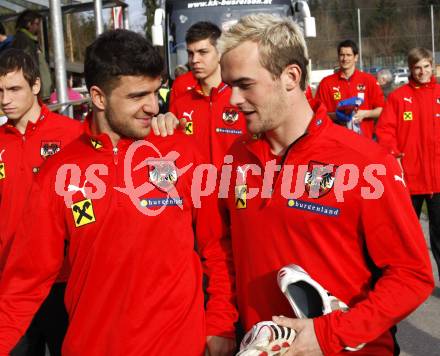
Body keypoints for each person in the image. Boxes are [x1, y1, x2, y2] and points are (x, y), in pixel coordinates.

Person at [0, 30, 237, 356]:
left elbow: (217, 247)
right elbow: (24, 284)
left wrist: (220, 322)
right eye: (137, 96)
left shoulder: (181, 153)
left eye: (156, 92)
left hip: (179, 344)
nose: (153, 107)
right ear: (98, 97)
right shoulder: (58, 174)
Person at [218, 14, 433, 355]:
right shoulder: (237, 155)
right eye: (229, 85)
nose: (232, 100)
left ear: (291, 76)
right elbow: (222, 246)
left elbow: (412, 276)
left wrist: (330, 333)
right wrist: (221, 323)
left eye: (244, 85)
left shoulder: (365, 163)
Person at [0, 48, 83, 355]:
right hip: (13, 284)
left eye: (14, 89)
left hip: (64, 280)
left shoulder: (73, 134)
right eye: (0, 91)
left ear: (35, 86)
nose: (5, 98)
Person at [376, 47, 440, 282]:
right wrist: (393, 154)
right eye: (417, 68)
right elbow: (384, 131)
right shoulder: (398, 97)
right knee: (406, 238)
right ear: (411, 69)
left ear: (431, 65)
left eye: (425, 66)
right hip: (408, 181)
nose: (422, 72)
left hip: (437, 181)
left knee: (439, 237)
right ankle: (408, 282)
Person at [169, 21, 246, 167]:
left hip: (236, 187)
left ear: (220, 54)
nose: (194, 60)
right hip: (196, 188)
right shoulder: (180, 104)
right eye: (190, 53)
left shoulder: (242, 98)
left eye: (203, 52)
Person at [315, 40, 384, 139]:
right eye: (342, 55)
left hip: (364, 142)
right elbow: (318, 114)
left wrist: (364, 114)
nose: (345, 58)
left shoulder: (369, 80)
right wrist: (337, 116)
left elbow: (381, 110)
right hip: (338, 142)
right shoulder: (326, 83)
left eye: (348, 55)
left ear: (356, 57)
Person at [11, 10, 52, 98]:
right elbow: (26, 65)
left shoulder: (31, 40)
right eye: (37, 24)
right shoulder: (23, 40)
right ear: (29, 24)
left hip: (39, 90)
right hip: (35, 91)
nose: (38, 28)